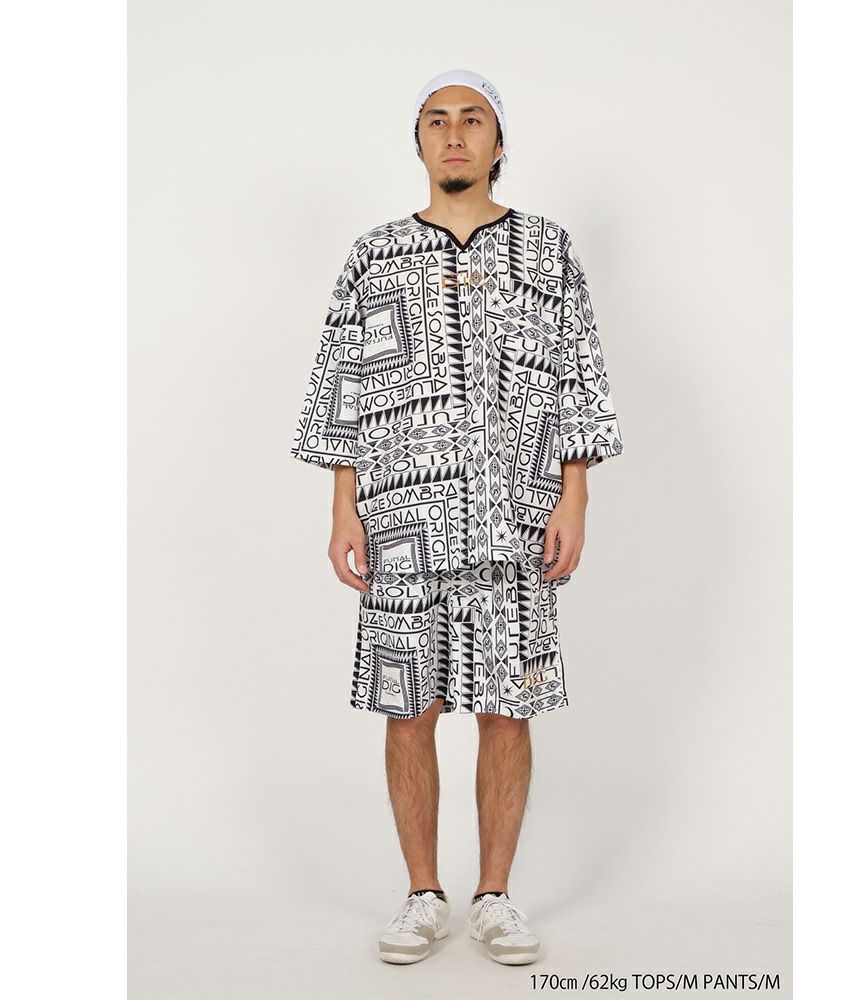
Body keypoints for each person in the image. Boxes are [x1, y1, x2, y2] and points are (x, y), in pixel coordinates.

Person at [289, 69, 624, 965]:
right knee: (409, 707)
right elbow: (342, 384)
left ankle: (497, 897)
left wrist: (575, 495)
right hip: (400, 520)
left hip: (516, 517)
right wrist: (344, 509)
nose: (453, 134)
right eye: (435, 121)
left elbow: (579, 374)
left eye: (472, 120)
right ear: (419, 142)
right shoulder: (374, 255)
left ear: (499, 142)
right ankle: (421, 895)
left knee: (508, 708)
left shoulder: (548, 251)